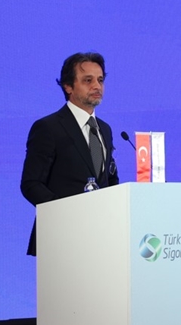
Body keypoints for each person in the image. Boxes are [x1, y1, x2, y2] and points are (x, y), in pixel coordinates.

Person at [20, 52, 119, 255]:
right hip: (60, 238)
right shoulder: (48, 128)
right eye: (88, 80)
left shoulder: (105, 130)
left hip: (101, 239)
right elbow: (31, 184)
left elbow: (109, 180)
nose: (97, 86)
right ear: (68, 86)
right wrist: (66, 214)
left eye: (100, 80)